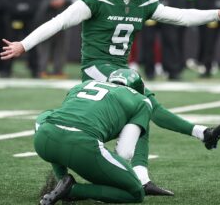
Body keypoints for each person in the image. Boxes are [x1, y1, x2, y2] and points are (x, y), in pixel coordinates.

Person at [1, 0, 220, 195]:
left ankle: (148, 174)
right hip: (95, 69)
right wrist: (23, 45)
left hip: (120, 69)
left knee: (144, 110)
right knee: (144, 105)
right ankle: (199, 136)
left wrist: (217, 14)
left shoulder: (143, 0)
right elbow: (59, 22)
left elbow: (179, 16)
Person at [35, 69, 150, 204]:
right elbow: (124, 153)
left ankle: (62, 179)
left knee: (58, 128)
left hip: (43, 140)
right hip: (82, 145)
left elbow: (40, 120)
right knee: (136, 193)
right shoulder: (142, 101)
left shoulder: (83, 85)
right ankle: (71, 190)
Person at [36, 0, 78, 78]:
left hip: (65, 18)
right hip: (46, 17)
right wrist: (49, 3)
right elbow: (38, 0)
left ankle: (58, 70)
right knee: (44, 44)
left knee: (62, 45)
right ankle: (42, 69)